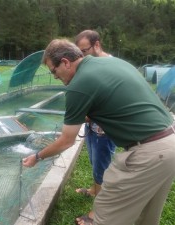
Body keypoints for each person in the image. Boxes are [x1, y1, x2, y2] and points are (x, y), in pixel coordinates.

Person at [22, 38, 175, 225]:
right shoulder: (114, 62)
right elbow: (122, 101)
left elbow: (66, 141)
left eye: (54, 71)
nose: (55, 77)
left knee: (105, 215)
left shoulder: (78, 84)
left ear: (65, 62)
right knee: (146, 217)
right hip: (169, 142)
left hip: (148, 154)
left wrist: (37, 156)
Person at [74, 30, 116, 198]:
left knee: (102, 168)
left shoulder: (113, 66)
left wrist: (90, 114)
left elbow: (114, 100)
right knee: (95, 163)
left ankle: (99, 208)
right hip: (91, 126)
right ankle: (94, 190)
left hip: (105, 130)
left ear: (97, 45)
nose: (82, 58)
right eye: (79, 54)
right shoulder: (91, 66)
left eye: (84, 52)